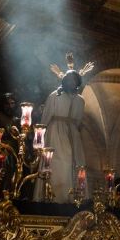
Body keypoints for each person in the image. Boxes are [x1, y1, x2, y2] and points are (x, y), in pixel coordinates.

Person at [33, 69, 88, 203]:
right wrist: (39, 139)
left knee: (74, 164)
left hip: (73, 134)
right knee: (56, 164)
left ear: (77, 82)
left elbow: (79, 119)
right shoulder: (54, 96)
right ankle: (52, 196)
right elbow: (45, 118)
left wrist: (75, 130)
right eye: (68, 79)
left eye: (74, 79)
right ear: (64, 80)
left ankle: (74, 197)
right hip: (55, 133)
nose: (71, 81)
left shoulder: (80, 100)